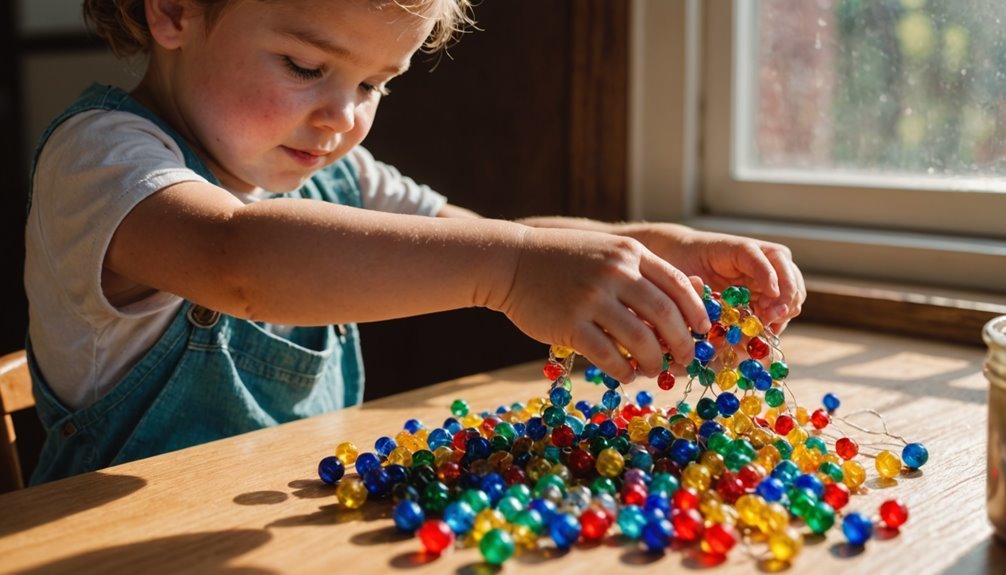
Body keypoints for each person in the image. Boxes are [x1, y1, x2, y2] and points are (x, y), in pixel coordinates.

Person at [24, 0, 805, 484]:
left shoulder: (337, 172)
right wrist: (510, 272)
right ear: (173, 10)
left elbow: (485, 237)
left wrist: (652, 248)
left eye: (372, 85)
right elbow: (235, 259)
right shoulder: (104, 157)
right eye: (305, 65)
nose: (343, 118)